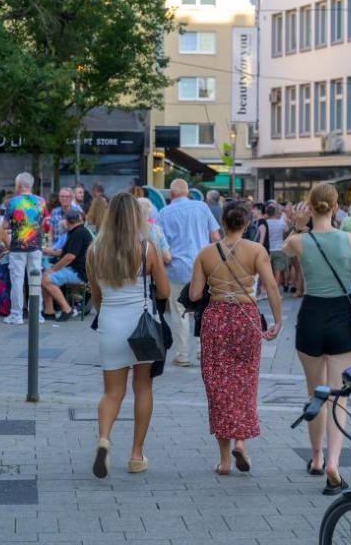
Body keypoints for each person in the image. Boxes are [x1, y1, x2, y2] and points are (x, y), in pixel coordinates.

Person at [283, 183, 351, 496]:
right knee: (339, 397)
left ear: (310, 206)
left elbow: (276, 260)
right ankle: (334, 461)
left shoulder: (299, 241)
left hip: (310, 318)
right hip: (341, 321)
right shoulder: (350, 239)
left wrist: (296, 227)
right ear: (336, 207)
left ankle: (317, 457)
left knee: (314, 395)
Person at [189, 201, 282, 475]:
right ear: (245, 224)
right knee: (244, 379)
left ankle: (225, 459)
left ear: (222, 222)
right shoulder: (256, 250)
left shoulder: (205, 254)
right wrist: (278, 320)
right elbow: (272, 286)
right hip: (246, 316)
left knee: (218, 384)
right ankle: (241, 441)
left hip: (216, 317)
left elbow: (194, 295)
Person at [86, 193, 170, 479]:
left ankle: (104, 439)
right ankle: (136, 455)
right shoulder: (146, 249)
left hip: (110, 323)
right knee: (143, 388)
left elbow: (95, 296)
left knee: (112, 393)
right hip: (141, 325)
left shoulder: (95, 250)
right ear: (136, 216)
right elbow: (165, 291)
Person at [158, 179, 220, 367]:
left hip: (176, 269)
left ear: (171, 194)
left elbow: (162, 245)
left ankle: (183, 354)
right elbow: (215, 237)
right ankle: (203, 349)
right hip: (203, 267)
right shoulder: (201, 207)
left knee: (179, 312)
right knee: (204, 309)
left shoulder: (163, 213)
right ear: (187, 192)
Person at [1, 173, 46, 325]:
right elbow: (42, 222)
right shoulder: (41, 201)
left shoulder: (13, 202)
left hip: (17, 247)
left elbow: (5, 226)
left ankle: (16, 315)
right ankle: (37, 315)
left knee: (17, 282)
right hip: (36, 246)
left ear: (19, 185)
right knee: (35, 281)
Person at [41, 210, 92, 321]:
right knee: (44, 275)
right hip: (77, 269)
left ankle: (67, 309)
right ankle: (49, 311)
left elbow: (70, 257)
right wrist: (47, 251)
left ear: (67, 221)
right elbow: (63, 252)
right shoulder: (77, 231)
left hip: (78, 272)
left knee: (45, 279)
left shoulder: (78, 233)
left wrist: (53, 269)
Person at [137, 198, 171, 265]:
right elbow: (167, 258)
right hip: (153, 271)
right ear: (150, 212)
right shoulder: (156, 230)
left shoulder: (130, 230)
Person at [266, 204, 289, 290]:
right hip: (279, 249)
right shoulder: (282, 223)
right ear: (275, 213)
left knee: (268, 272)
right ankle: (275, 290)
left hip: (268, 250)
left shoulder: (266, 223)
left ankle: (267, 290)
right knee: (278, 271)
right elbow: (286, 232)